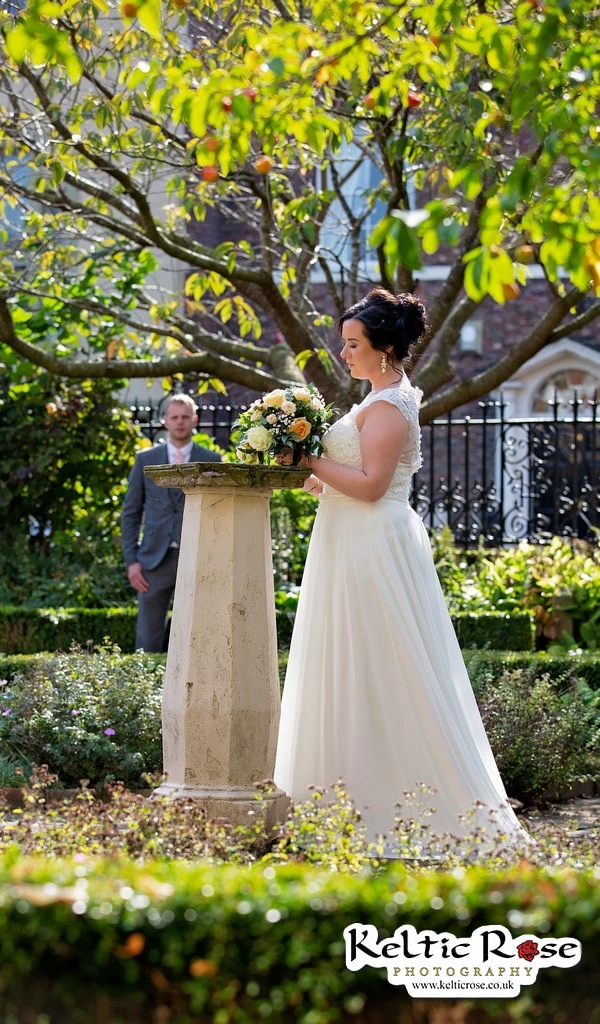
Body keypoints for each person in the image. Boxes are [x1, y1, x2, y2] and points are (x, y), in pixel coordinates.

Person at [273, 287, 525, 846]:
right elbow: (353, 478)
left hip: (370, 547)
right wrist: (321, 480)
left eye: (353, 344)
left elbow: (371, 488)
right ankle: (337, 802)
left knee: (379, 668)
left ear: (385, 349)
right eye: (344, 343)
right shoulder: (376, 399)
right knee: (349, 665)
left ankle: (393, 809)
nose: (344, 353)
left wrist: (306, 459)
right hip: (348, 539)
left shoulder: (389, 405)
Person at [120, 394, 223, 652]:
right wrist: (132, 561)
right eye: (174, 417)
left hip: (197, 558)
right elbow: (131, 513)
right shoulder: (145, 460)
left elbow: (218, 513)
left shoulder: (212, 459)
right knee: (148, 638)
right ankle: (147, 688)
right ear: (165, 421)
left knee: (197, 634)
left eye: (185, 417)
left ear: (195, 420)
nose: (180, 422)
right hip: (153, 561)